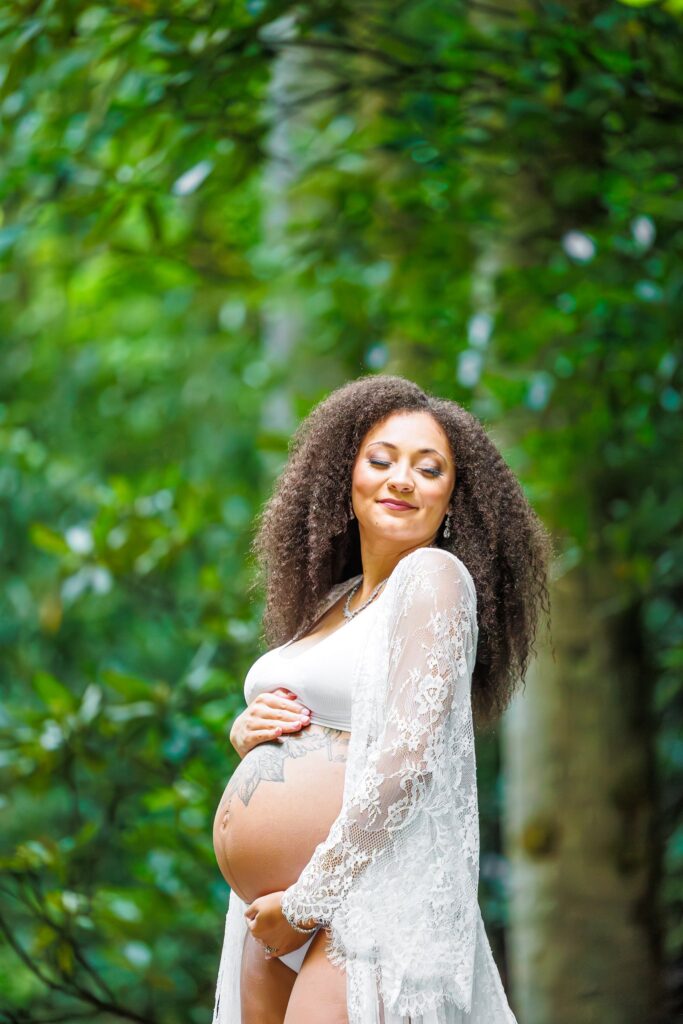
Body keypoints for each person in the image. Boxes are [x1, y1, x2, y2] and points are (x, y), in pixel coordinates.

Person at [212, 374, 552, 1023]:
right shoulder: (331, 603)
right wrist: (250, 731)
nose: (401, 479)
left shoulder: (432, 578)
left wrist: (310, 900)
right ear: (347, 478)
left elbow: (407, 762)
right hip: (271, 908)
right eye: (381, 459)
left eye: (429, 470)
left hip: (361, 907)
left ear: (452, 503)